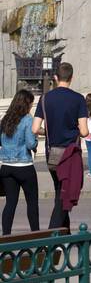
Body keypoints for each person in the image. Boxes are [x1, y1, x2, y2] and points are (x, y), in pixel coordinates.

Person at [33, 62, 88, 230]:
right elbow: (84, 131)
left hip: (53, 154)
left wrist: (48, 132)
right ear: (71, 78)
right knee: (63, 195)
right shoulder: (78, 99)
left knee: (60, 191)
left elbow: (35, 128)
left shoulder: (45, 98)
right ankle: (51, 238)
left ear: (55, 78)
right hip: (69, 154)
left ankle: (65, 233)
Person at [1, 89, 39, 234]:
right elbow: (30, 144)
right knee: (32, 204)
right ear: (27, 104)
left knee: (10, 203)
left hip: (6, 167)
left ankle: (5, 237)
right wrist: (35, 142)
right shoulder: (28, 119)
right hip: (24, 166)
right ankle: (37, 236)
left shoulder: (6, 119)